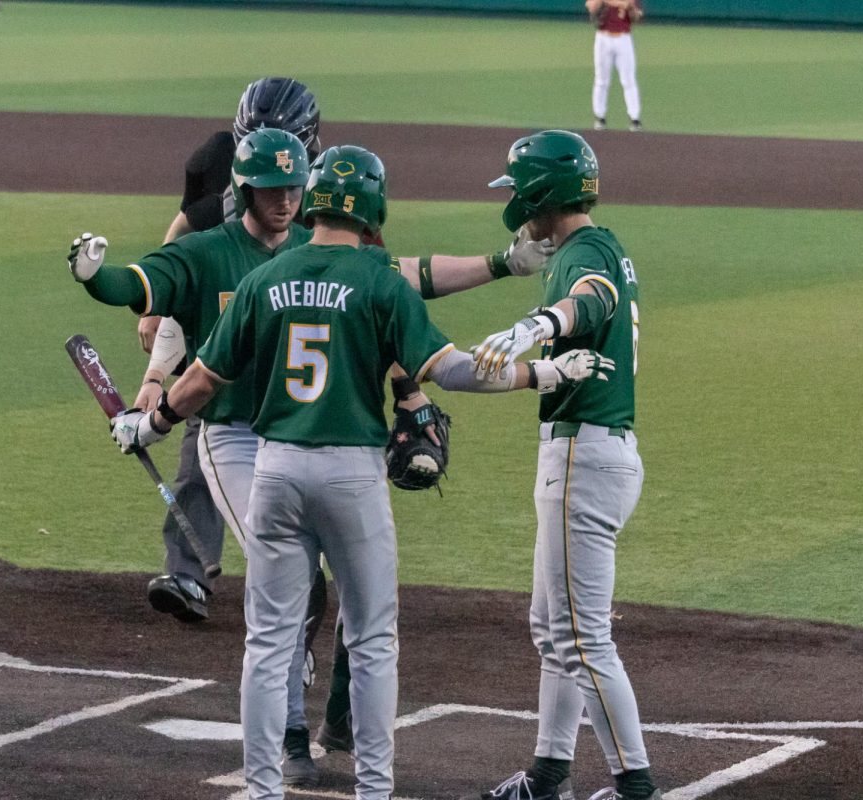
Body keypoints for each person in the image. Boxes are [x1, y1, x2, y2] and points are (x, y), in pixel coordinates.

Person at [103, 144, 610, 800]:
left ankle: (263, 787)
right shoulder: (379, 281)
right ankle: (372, 789)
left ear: (311, 201)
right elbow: (449, 370)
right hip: (350, 476)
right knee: (371, 639)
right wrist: (540, 371)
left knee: (269, 637)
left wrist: (150, 421)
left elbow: (202, 378)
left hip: (277, 468)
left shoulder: (266, 278)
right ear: (373, 207)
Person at [469, 130, 660, 800]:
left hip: (585, 453)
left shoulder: (589, 251)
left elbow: (592, 298)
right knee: (554, 630)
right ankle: (548, 773)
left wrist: (539, 325)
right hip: (587, 450)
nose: (516, 201)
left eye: (521, 189)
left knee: (581, 638)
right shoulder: (590, 245)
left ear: (544, 191)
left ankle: (635, 787)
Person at [139, 77, 322, 624]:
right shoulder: (220, 163)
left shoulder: (334, 189)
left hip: (304, 364)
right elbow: (187, 231)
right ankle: (189, 573)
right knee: (203, 444)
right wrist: (158, 298)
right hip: (229, 347)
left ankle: (316, 574)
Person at [585, 0, 643, 132]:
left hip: (624, 38)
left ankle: (635, 118)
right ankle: (600, 117)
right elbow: (590, 6)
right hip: (603, 38)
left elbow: (637, 17)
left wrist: (630, 8)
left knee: (628, 80)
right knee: (601, 79)